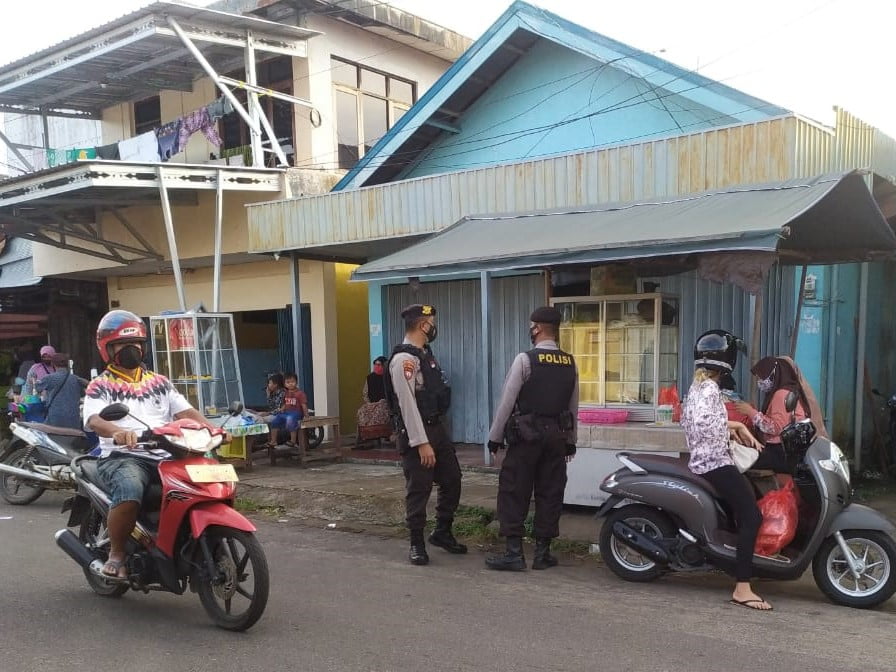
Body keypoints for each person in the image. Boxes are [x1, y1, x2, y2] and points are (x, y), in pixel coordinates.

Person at [83, 310, 216, 580]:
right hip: (123, 457)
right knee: (131, 487)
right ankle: (117, 553)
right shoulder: (100, 385)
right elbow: (94, 419)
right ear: (107, 349)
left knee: (206, 479)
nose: (131, 350)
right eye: (122, 344)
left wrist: (214, 429)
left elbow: (187, 413)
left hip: (168, 454)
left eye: (136, 344)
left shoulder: (160, 382)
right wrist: (118, 431)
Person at [682, 329, 771, 611]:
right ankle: (742, 587)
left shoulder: (697, 386)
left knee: (744, 510)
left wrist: (737, 427)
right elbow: (704, 426)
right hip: (716, 463)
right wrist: (732, 430)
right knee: (753, 516)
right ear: (727, 359)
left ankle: (738, 560)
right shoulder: (709, 388)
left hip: (705, 460)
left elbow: (692, 421)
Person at [485, 306, 579, 571]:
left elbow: (507, 401)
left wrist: (495, 437)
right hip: (557, 439)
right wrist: (571, 441)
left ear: (536, 328)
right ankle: (542, 553)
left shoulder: (525, 360)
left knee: (515, 491)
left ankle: (514, 553)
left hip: (526, 437)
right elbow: (573, 407)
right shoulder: (569, 362)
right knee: (550, 492)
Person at [385, 303, 465, 565]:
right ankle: (416, 543)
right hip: (416, 432)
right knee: (419, 489)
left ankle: (442, 531)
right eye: (432, 322)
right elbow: (407, 404)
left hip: (437, 428)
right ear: (423, 325)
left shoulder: (424, 354)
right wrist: (421, 443)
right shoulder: (404, 360)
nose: (434, 327)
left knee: (452, 478)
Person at [733, 356, 829, 474]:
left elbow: (775, 427)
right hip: (788, 451)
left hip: (780, 452)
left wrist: (750, 412)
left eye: (761, 377)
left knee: (740, 461)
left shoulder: (781, 394)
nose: (759, 381)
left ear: (773, 375)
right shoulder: (788, 391)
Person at [37, 353, 87, 430]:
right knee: (73, 440)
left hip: (55, 419)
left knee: (53, 440)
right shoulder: (76, 379)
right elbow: (82, 394)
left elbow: (38, 388)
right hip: (73, 419)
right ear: (67, 364)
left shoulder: (49, 378)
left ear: (53, 364)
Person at [356, 356, 391, 434]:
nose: (376, 367)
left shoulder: (389, 378)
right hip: (372, 404)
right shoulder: (370, 378)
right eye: (375, 364)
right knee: (362, 412)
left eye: (379, 365)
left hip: (385, 404)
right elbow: (365, 393)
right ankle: (366, 434)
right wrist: (369, 404)